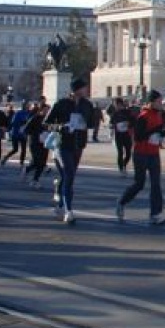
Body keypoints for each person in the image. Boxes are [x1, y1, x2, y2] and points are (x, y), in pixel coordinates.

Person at [44, 78, 95, 224]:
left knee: (69, 177)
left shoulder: (87, 105)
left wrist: (87, 123)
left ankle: (60, 203)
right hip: (63, 144)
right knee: (70, 174)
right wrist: (61, 127)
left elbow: (91, 123)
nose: (87, 90)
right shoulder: (61, 104)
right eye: (84, 88)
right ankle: (69, 211)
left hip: (79, 145)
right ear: (76, 90)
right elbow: (46, 124)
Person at [116, 90, 165, 225]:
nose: (160, 104)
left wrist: (163, 134)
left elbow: (162, 129)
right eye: (158, 101)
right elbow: (138, 136)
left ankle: (155, 213)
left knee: (156, 184)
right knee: (139, 184)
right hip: (141, 153)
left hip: (154, 153)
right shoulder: (143, 116)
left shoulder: (160, 114)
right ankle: (122, 201)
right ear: (151, 102)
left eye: (161, 101)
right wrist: (154, 131)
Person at [109, 98, 135, 177]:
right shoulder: (115, 114)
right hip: (118, 135)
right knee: (120, 152)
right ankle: (121, 169)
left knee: (128, 153)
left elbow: (134, 122)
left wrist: (128, 124)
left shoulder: (128, 112)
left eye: (115, 104)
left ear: (119, 104)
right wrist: (111, 131)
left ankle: (124, 164)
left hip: (127, 134)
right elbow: (111, 124)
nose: (115, 106)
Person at [1, 101, 31, 169]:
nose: (28, 106)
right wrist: (22, 122)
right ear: (23, 106)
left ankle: (21, 163)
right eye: (27, 105)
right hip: (16, 133)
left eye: (29, 105)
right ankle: (5, 157)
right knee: (15, 149)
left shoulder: (29, 113)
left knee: (24, 149)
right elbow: (13, 122)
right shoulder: (18, 113)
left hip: (24, 134)